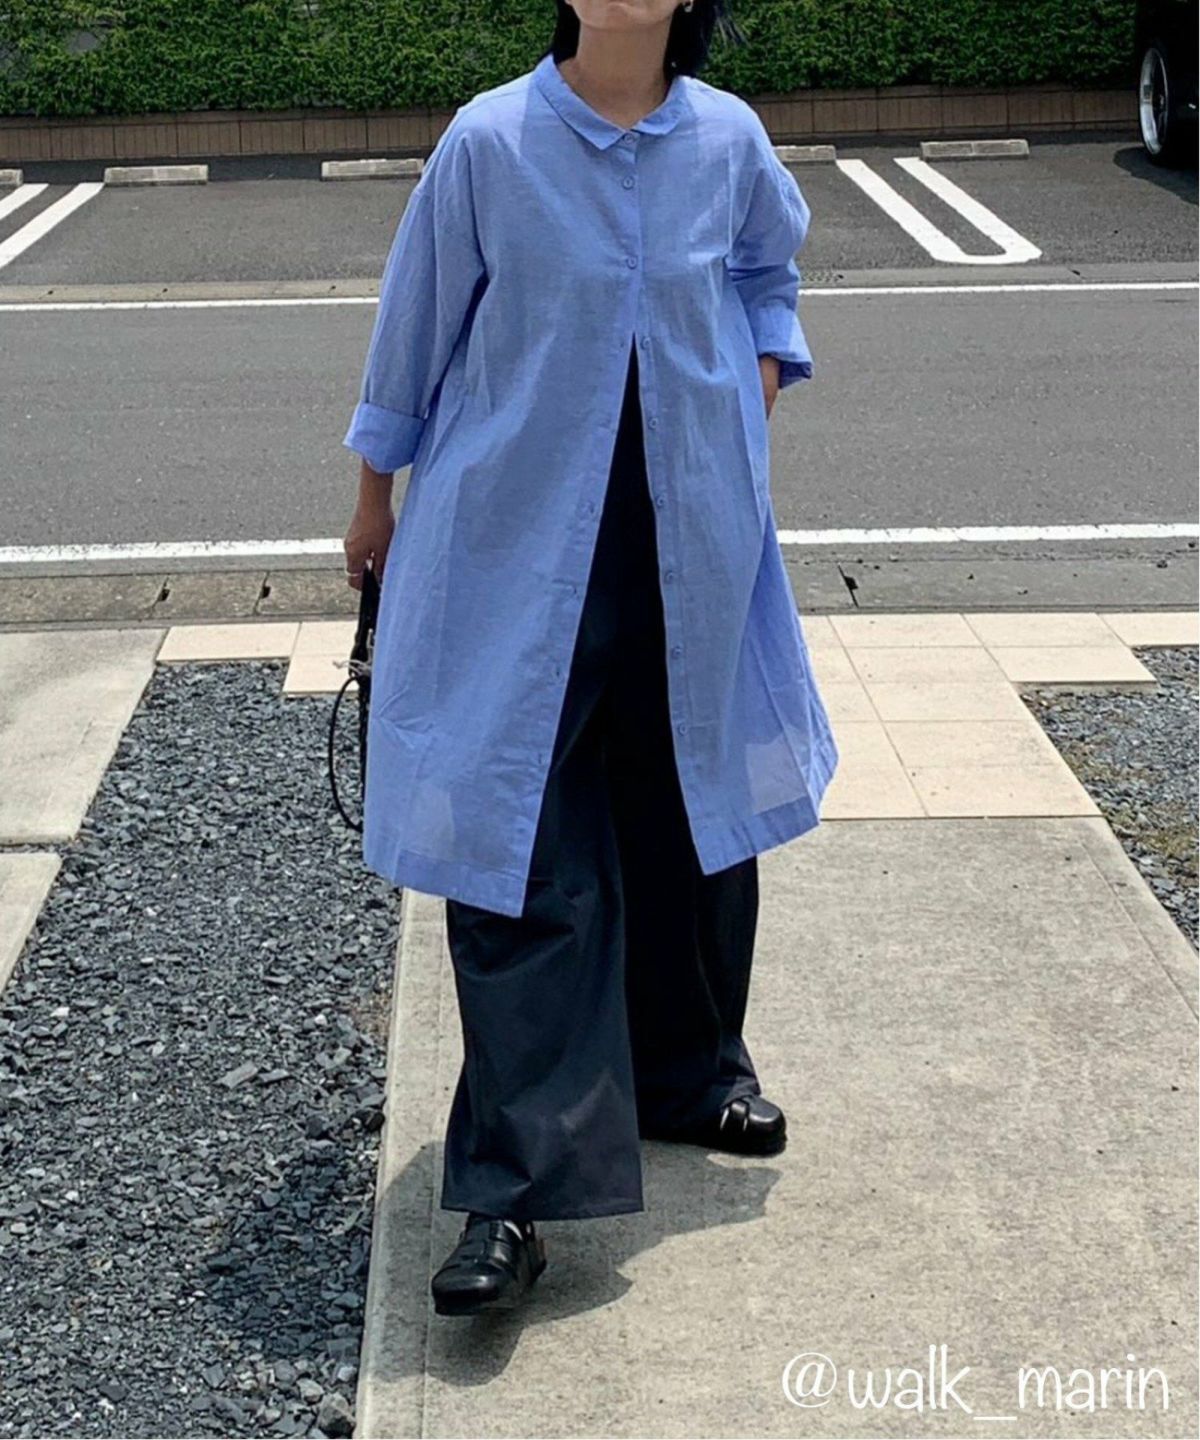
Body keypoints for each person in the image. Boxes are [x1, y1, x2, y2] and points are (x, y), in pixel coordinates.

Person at [341, 0, 839, 1317]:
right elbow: (416, 323)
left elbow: (769, 272)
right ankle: (512, 1188)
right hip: (516, 546)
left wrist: (759, 378)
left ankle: (689, 1074)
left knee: (688, 810)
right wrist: (373, 496)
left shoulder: (726, 139)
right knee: (525, 843)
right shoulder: (492, 141)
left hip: (689, 533)